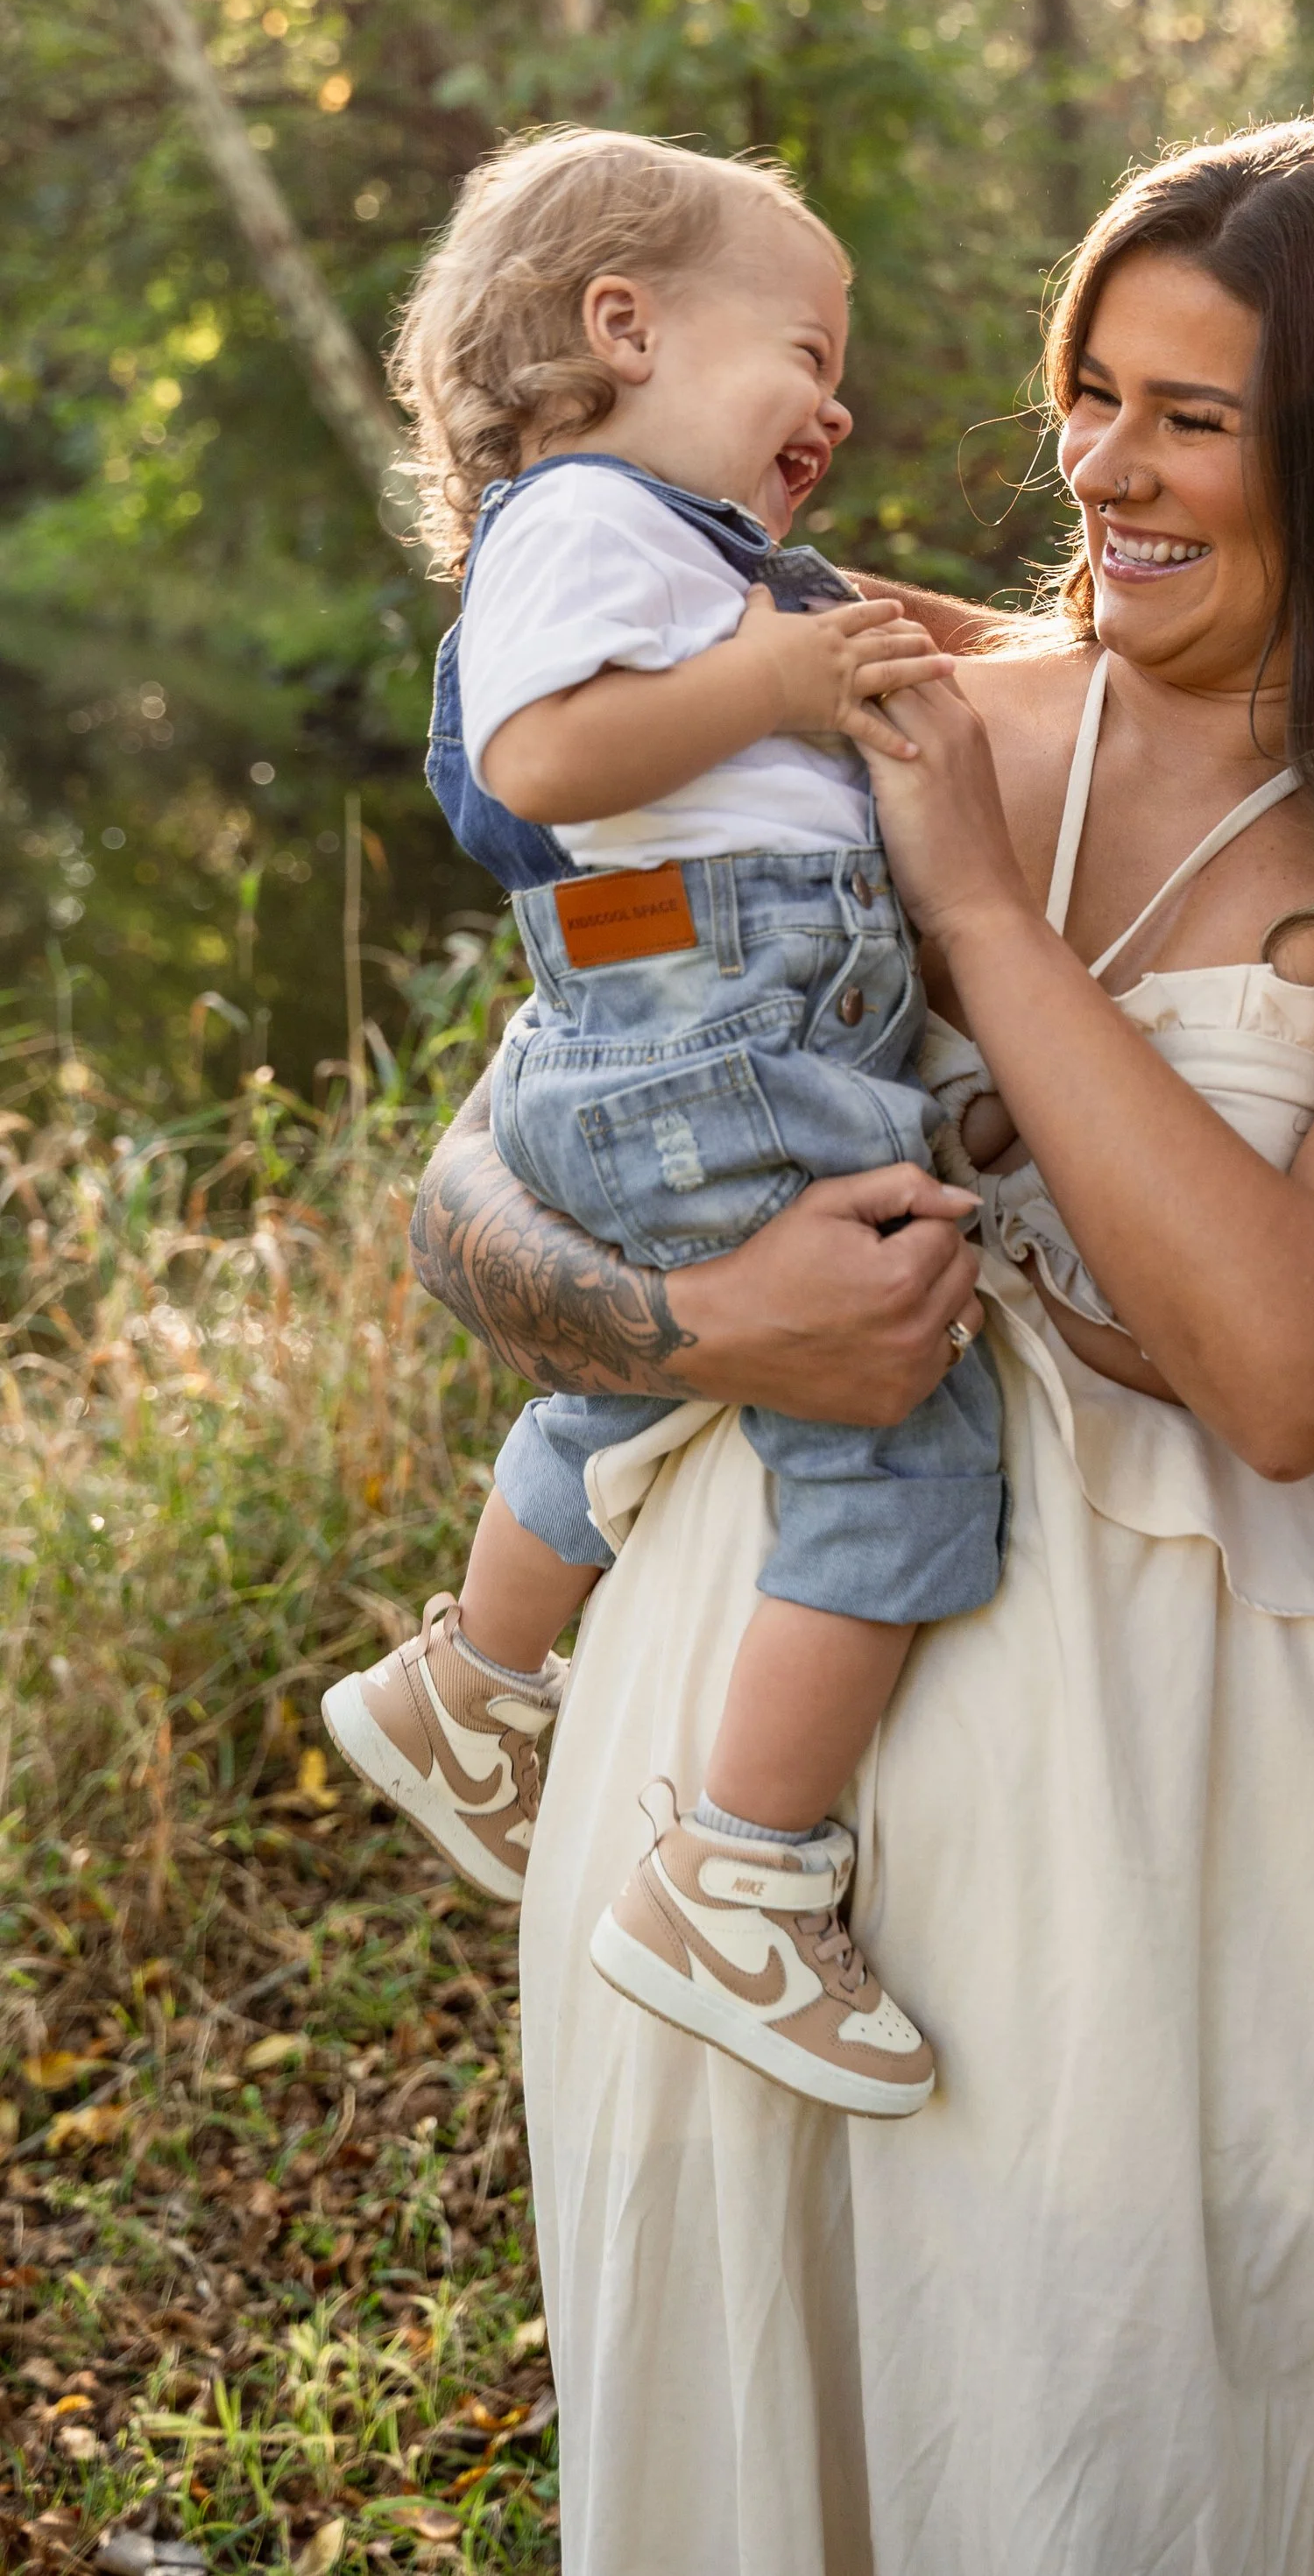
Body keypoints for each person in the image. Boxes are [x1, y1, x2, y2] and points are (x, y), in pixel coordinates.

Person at [406, 119, 1314, 2576]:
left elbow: (1290, 1374)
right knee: (762, 2420)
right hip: (738, 1754)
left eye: (1187, 415)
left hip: (1171, 1779)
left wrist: (970, 906)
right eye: (1084, 392)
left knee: (1120, 2424)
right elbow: (507, 1149)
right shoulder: (875, 677)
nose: (1097, 468)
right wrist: (696, 1313)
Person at [321, 127, 994, 2116]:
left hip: (673, 1012)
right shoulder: (595, 525)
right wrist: (780, 679)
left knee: (616, 1399)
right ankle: (739, 1875)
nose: (836, 399)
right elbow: (543, 754)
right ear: (621, 327)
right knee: (900, 1438)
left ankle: (467, 1684)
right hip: (716, 1019)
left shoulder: (678, 553)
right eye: (802, 345)